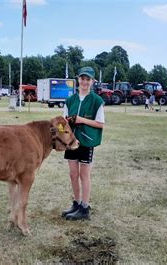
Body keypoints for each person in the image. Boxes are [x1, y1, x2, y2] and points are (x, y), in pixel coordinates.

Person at [61, 66, 105, 220]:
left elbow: (100, 124)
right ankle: (77, 203)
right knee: (73, 174)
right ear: (78, 79)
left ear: (92, 82)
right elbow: (62, 122)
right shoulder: (70, 100)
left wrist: (81, 120)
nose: (84, 82)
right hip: (71, 142)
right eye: (82, 78)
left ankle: (85, 208)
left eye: (88, 79)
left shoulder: (97, 100)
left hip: (87, 141)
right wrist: (63, 126)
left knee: (84, 174)